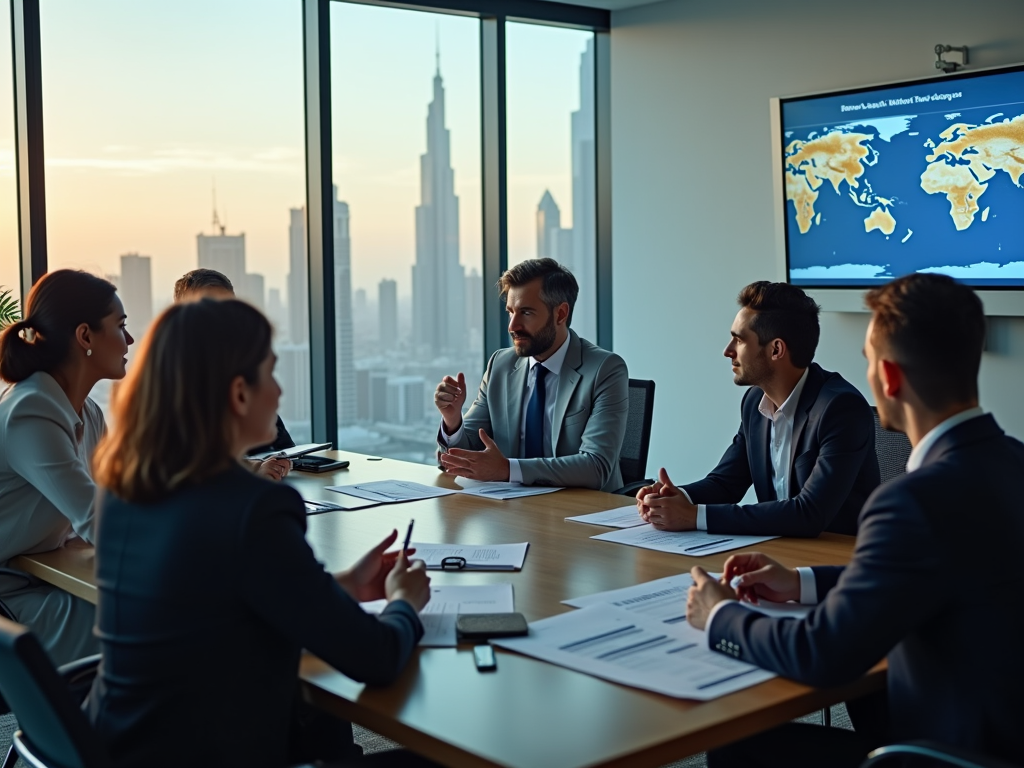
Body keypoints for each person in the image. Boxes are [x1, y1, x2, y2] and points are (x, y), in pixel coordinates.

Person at [686, 274, 1024, 768]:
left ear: (888, 378)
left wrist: (720, 615)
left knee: (736, 750)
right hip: (1003, 739)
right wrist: (800, 582)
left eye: (868, 363)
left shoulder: (910, 502)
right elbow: (934, 571)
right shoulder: (1012, 462)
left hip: (942, 756)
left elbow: (823, 654)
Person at [87, 298, 436, 768]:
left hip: (120, 750)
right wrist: (403, 603)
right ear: (239, 393)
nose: (279, 390)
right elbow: (375, 658)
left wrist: (345, 586)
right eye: (270, 373)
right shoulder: (254, 507)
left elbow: (219, 603)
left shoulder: (123, 487)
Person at [637, 281, 879, 536]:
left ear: (776, 349)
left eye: (738, 340)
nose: (727, 351)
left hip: (836, 560)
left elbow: (810, 513)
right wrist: (674, 497)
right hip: (776, 553)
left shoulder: (840, 408)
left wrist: (694, 516)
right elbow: (726, 483)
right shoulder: (754, 402)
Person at [0, 270, 133, 665]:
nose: (129, 340)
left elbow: (120, 496)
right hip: (10, 601)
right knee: (155, 625)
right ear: (85, 337)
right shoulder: (32, 410)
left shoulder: (86, 412)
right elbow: (98, 519)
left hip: (37, 578)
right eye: (120, 326)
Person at [434, 258, 629, 492]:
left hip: (583, 512)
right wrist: (452, 420)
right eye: (510, 312)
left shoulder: (604, 369)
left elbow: (596, 467)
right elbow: (464, 454)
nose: (512, 326)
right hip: (514, 510)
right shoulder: (501, 365)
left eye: (526, 313)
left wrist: (507, 470)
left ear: (560, 314)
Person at [174, 268, 293, 481]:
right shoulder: (173, 385)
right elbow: (183, 462)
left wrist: (281, 462)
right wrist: (253, 468)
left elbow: (283, 447)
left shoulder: (243, 375)